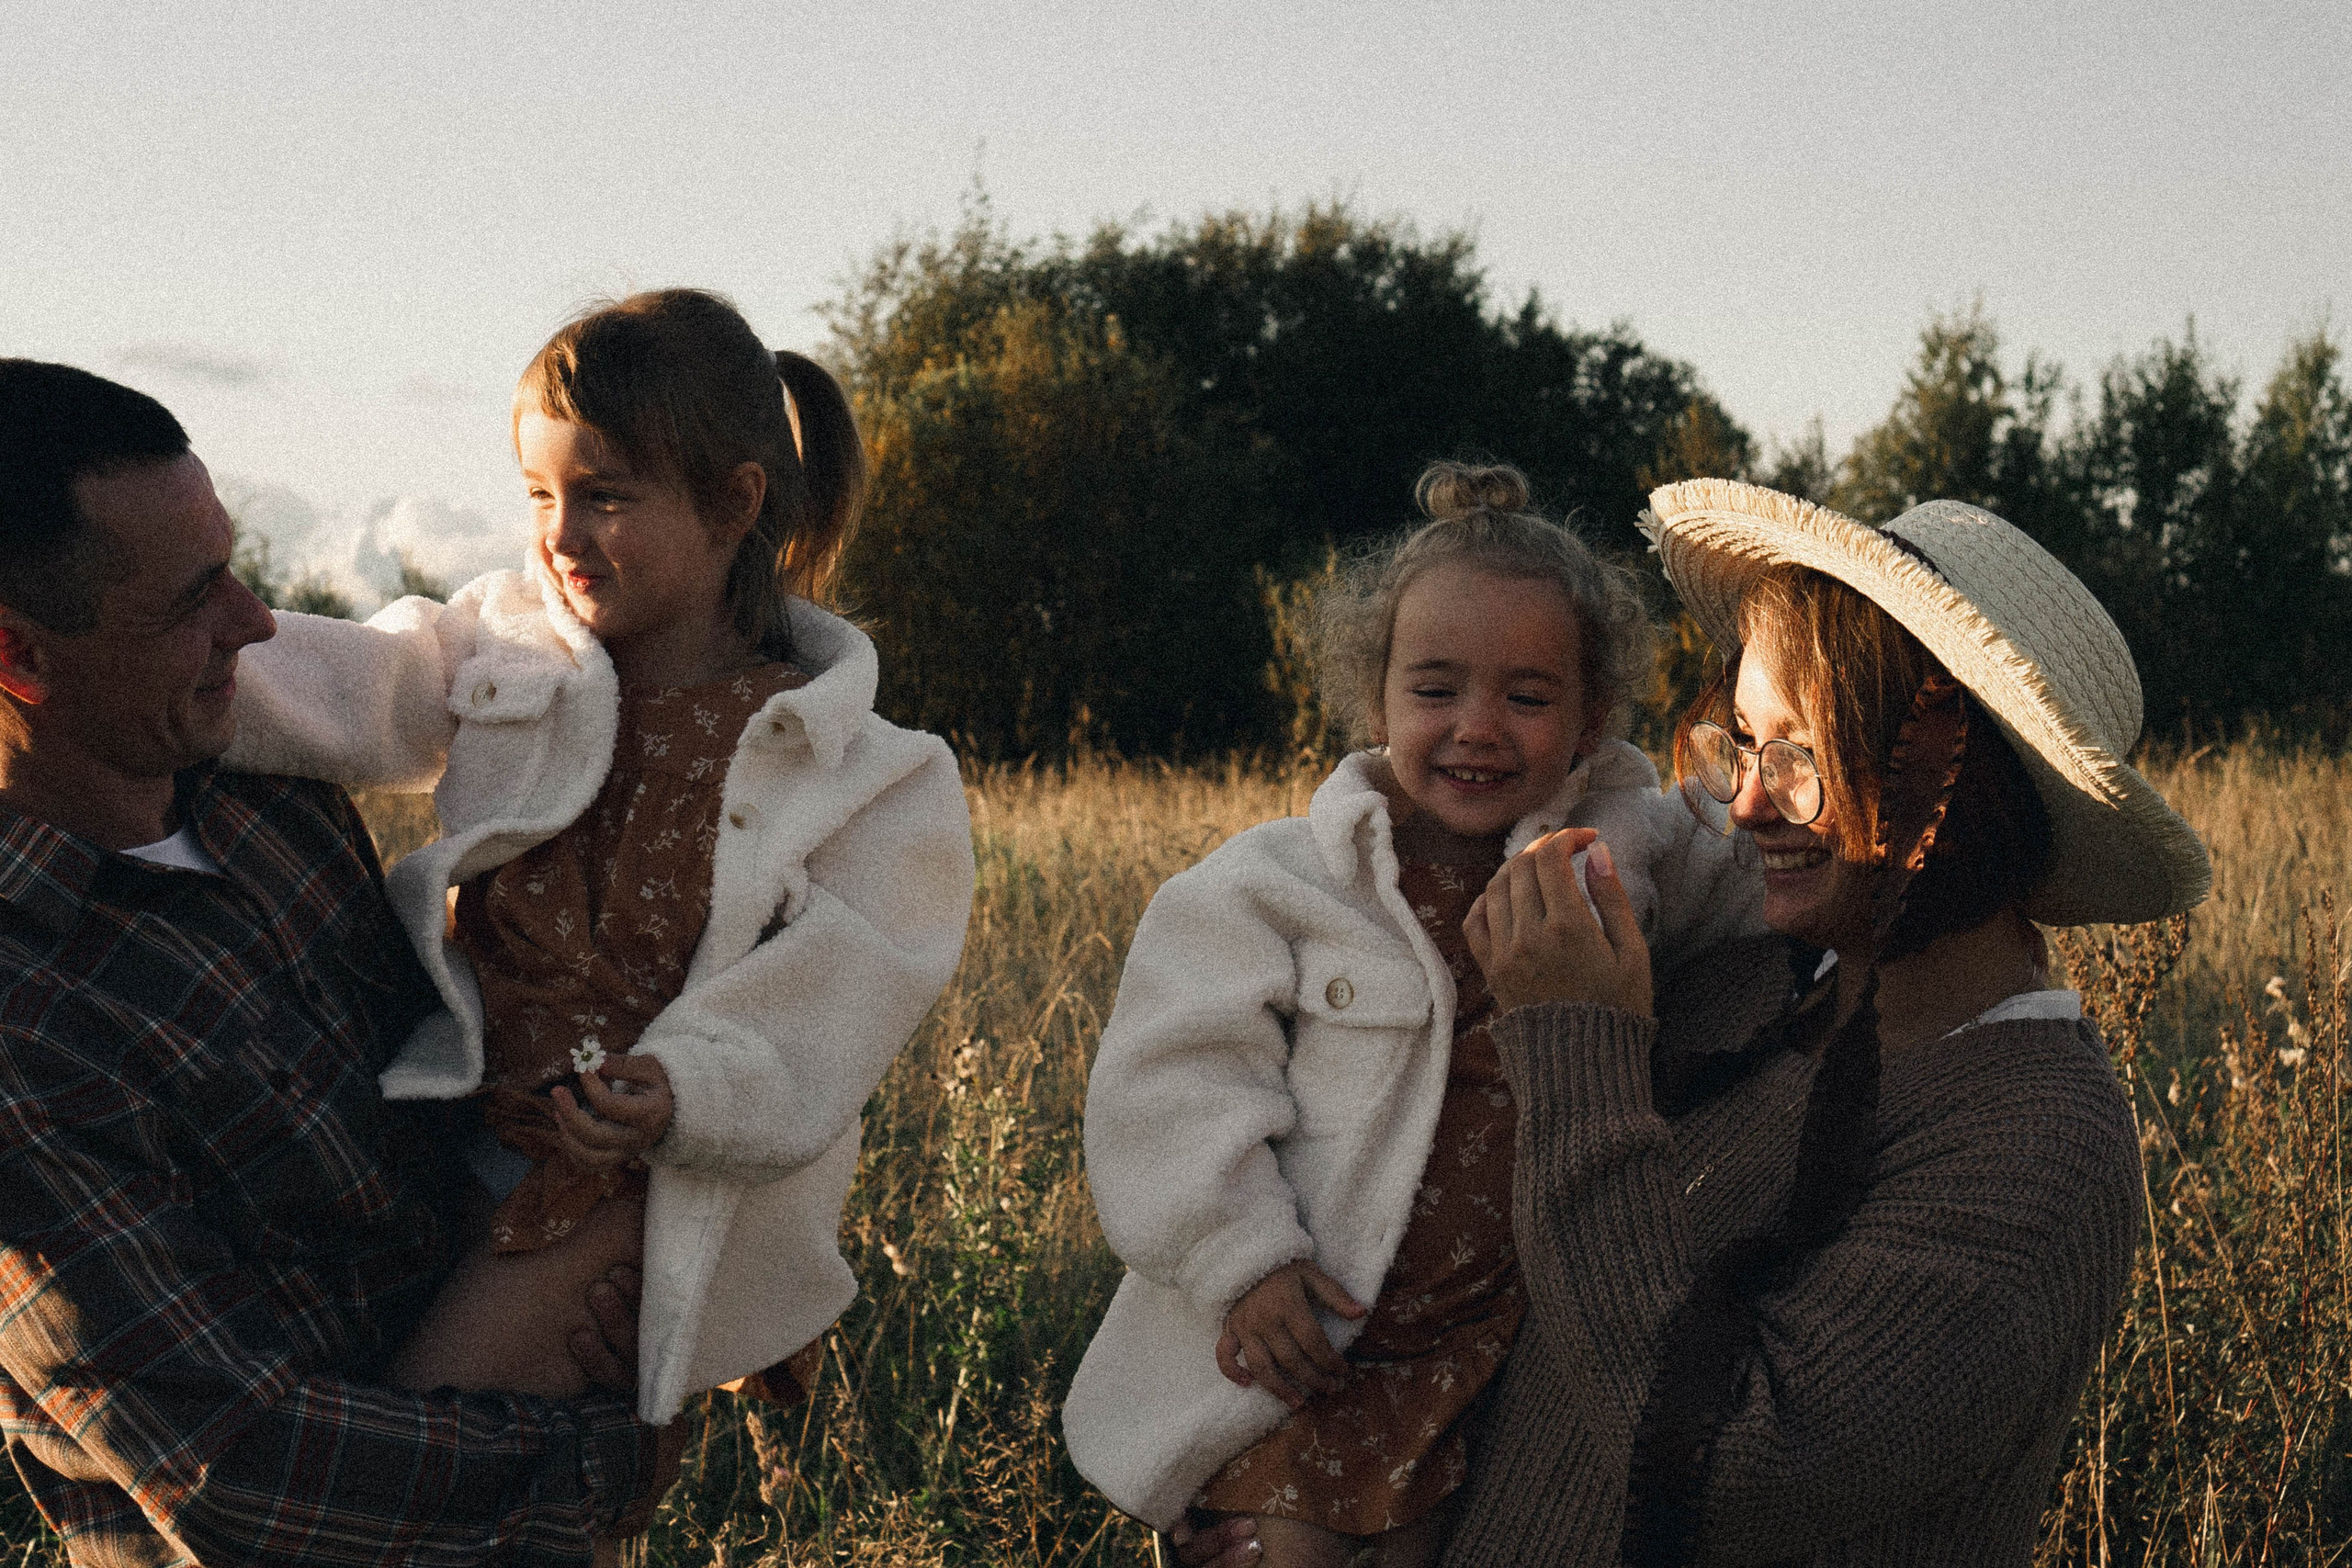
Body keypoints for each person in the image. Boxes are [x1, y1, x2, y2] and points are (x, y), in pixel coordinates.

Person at [221, 290, 975, 1463]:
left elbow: (852, 987)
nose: (560, 534)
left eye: (606, 495)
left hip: (639, 1185)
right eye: (539, 494)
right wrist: (168, 657)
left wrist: (685, 1087)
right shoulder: (512, 655)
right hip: (463, 1139)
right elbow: (347, 686)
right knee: (514, 1501)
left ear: (734, 503)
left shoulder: (863, 769)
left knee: (410, 1456)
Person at [1437, 479, 2211, 1564]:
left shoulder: (2038, 1145)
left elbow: (1732, 1472)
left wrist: (1575, 1042)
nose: (1745, 803)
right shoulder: (1739, 991)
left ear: (1956, 778)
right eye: (1743, 741)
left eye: (1800, 753)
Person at [0, 358, 659, 1567]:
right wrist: (610, 1451)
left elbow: (464, 1110)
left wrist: (639, 1292)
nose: (255, 622)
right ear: (20, 657)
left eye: (236, 564)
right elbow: (238, 1473)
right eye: (191, 601)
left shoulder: (266, 802)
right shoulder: (23, 1022)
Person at [1067, 463, 1763, 1567]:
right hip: (1310, 1344)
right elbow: (1171, 1082)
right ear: (1377, 696)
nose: (1476, 728)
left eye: (1527, 698)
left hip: (1488, 1361)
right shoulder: (1277, 886)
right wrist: (1239, 1259)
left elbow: (1760, 869)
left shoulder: (1619, 857)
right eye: (1435, 690)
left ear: (1589, 721)